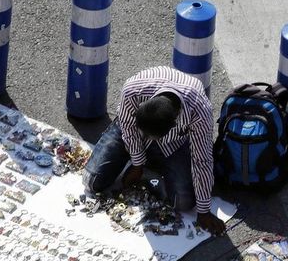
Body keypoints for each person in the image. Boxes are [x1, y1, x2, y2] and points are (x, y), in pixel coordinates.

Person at [83, 65, 226, 237]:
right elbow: (128, 129)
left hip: (174, 143)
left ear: (175, 124)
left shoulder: (199, 111)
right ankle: (144, 161)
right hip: (131, 133)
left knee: (184, 203)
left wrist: (203, 211)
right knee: (92, 181)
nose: (149, 141)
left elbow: (202, 160)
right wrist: (137, 165)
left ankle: (153, 164)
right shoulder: (133, 91)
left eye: (153, 138)